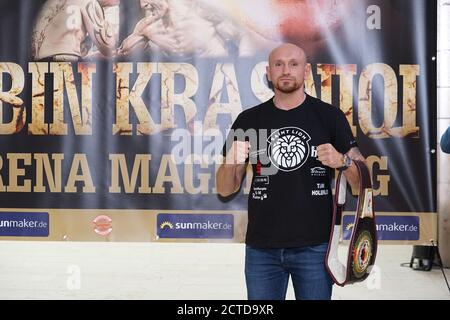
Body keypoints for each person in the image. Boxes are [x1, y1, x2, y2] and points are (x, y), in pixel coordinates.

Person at [216, 43, 366, 300]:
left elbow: (362, 183)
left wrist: (343, 161)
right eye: (279, 64)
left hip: (315, 247)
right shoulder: (248, 120)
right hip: (261, 248)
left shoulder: (329, 117)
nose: (286, 70)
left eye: (294, 64)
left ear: (306, 71)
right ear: (268, 72)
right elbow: (224, 189)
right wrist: (230, 162)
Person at [31, 0, 119, 61]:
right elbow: (108, 45)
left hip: (38, 71)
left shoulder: (49, 4)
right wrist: (102, 15)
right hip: (65, 66)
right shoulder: (88, 2)